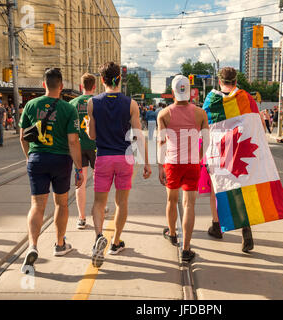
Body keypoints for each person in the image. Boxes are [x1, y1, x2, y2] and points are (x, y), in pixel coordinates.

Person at [19, 68, 84, 274]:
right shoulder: (68, 109)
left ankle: (32, 246)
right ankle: (59, 244)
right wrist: (79, 168)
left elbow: (23, 137)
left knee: (37, 205)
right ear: (62, 86)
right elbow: (73, 141)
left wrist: (29, 157)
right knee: (61, 203)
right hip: (61, 160)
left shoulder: (30, 105)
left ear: (43, 84)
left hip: (37, 158)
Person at [86, 62, 151, 268]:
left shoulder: (93, 103)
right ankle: (115, 242)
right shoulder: (131, 104)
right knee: (121, 203)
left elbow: (92, 135)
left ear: (102, 80)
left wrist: (89, 126)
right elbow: (138, 135)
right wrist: (147, 162)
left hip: (104, 157)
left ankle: (98, 237)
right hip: (125, 158)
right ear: (119, 79)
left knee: (98, 203)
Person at [205, 67, 262, 253]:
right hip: (240, 148)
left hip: (218, 152)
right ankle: (245, 228)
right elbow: (257, 123)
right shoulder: (246, 98)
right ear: (236, 81)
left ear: (219, 81)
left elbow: (204, 125)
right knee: (239, 188)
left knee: (217, 188)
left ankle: (217, 226)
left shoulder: (212, 99)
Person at [157, 74, 209, 262]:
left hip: (172, 163)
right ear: (190, 93)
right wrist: (198, 156)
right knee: (189, 205)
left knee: (172, 201)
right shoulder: (200, 113)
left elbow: (161, 142)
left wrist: (160, 166)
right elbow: (207, 141)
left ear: (172, 93)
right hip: (192, 164)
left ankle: (172, 234)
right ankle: (186, 249)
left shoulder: (163, 114)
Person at [69, 73, 98, 230]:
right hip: (96, 146)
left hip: (79, 147)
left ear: (81, 87)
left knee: (81, 182)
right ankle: (100, 209)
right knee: (100, 181)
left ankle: (81, 218)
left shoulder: (72, 103)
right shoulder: (99, 102)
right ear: (94, 86)